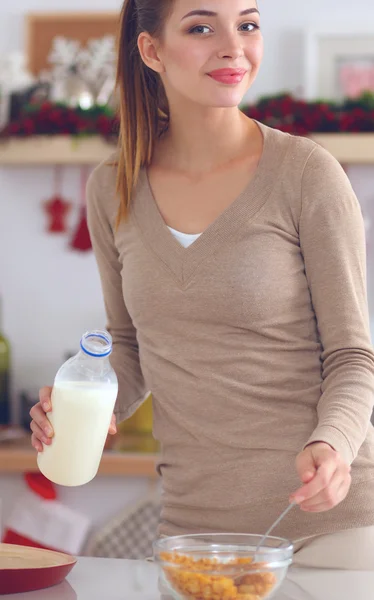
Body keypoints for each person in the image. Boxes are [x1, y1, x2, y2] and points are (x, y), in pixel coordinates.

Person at [30, 0, 374, 570]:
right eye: (201, 26)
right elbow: (132, 346)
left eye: (248, 24)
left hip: (330, 529)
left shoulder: (307, 174)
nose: (233, 45)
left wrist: (334, 445)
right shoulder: (111, 188)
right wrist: (79, 398)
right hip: (195, 535)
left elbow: (352, 355)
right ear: (151, 50)